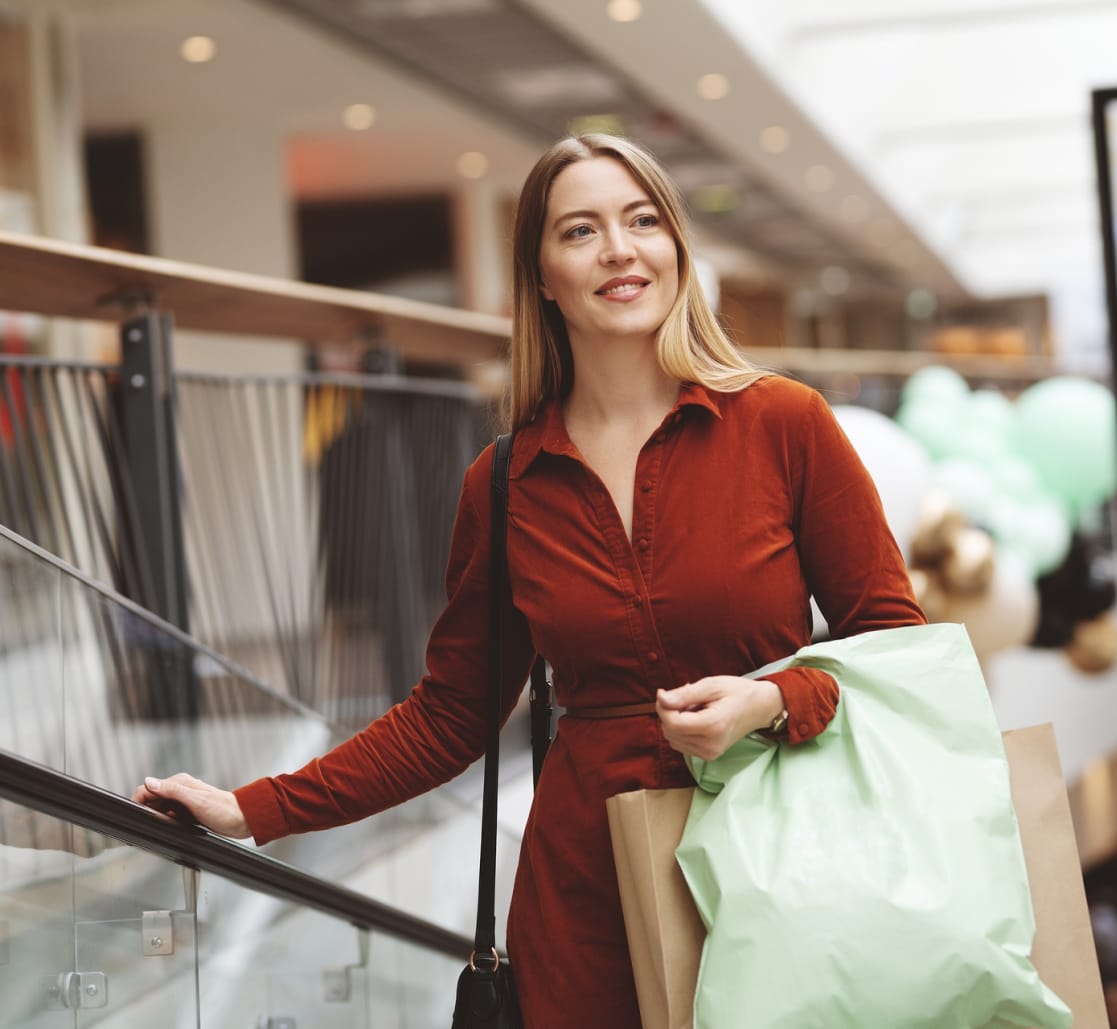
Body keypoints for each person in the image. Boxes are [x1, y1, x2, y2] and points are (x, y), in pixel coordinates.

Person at [133, 133, 925, 1027]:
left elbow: (902, 651)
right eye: (581, 231)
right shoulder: (504, 481)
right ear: (542, 275)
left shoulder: (784, 423)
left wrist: (773, 700)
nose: (620, 250)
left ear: (676, 247)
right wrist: (251, 808)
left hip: (787, 862)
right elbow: (450, 713)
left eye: (642, 220)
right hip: (589, 898)